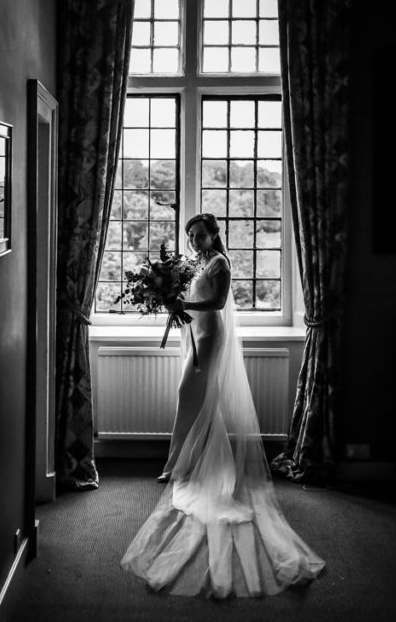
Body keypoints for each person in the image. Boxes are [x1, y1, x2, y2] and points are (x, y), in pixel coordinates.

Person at [121, 213, 325, 599]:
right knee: (195, 402)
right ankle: (186, 466)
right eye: (192, 236)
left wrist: (179, 300)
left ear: (215, 234)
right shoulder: (198, 262)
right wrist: (171, 300)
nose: (196, 241)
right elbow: (195, 298)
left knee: (191, 399)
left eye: (201, 235)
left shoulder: (221, 263)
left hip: (211, 335)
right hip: (197, 333)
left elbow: (215, 301)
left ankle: (183, 467)